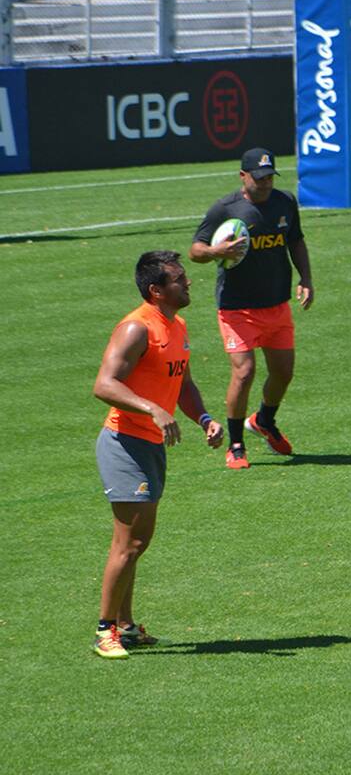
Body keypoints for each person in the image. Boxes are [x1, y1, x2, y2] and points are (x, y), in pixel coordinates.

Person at [92, 251, 224, 659]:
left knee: (139, 541)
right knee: (127, 543)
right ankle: (105, 631)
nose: (189, 284)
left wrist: (203, 417)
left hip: (149, 445)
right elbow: (104, 384)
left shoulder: (176, 325)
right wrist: (152, 408)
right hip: (124, 444)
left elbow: (181, 381)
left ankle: (127, 626)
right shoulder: (136, 328)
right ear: (156, 290)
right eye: (180, 280)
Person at [189, 147, 314, 470]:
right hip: (237, 307)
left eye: (270, 176)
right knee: (244, 373)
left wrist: (306, 278)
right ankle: (236, 443)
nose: (266, 183)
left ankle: (264, 421)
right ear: (243, 176)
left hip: (276, 304)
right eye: (260, 178)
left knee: (283, 372)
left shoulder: (285, 202)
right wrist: (217, 251)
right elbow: (195, 250)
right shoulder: (225, 208)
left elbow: (295, 240)